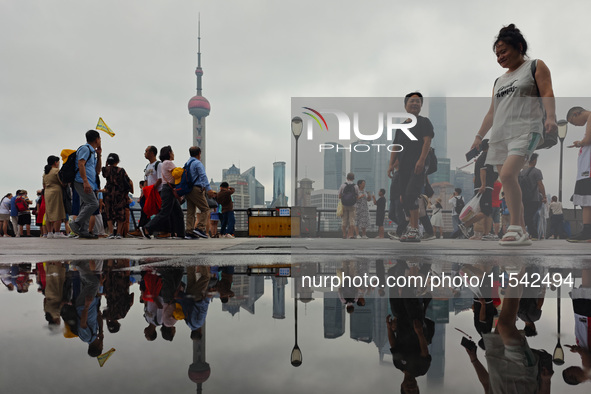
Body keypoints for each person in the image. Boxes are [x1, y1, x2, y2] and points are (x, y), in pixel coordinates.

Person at [470, 24, 557, 246]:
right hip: (500, 135)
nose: (500, 57)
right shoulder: (499, 81)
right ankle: (523, 232)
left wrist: (550, 117)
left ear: (519, 47)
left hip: (526, 129)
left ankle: (515, 226)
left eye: (504, 51)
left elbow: (547, 92)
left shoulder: (535, 66)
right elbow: (492, 111)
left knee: (508, 175)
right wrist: (479, 136)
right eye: (497, 54)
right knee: (508, 182)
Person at [387, 92, 434, 243]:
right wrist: (391, 164)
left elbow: (427, 142)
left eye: (418, 102)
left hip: (418, 166)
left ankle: (414, 229)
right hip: (403, 168)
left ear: (421, 106)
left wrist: (421, 160)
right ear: (405, 106)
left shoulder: (424, 122)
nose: (415, 104)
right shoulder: (401, 127)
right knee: (405, 198)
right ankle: (413, 229)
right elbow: (396, 146)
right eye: (412, 101)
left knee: (411, 194)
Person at [140, 146, 185, 239]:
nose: (173, 154)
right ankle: (147, 228)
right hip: (168, 189)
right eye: (172, 152)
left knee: (178, 213)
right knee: (164, 212)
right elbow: (178, 174)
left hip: (168, 189)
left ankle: (181, 234)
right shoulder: (168, 163)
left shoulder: (163, 163)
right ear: (169, 153)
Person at [460, 139, 498, 240]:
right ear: (489, 147)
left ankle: (486, 234)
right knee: (486, 211)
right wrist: (484, 185)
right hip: (485, 187)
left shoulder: (481, 158)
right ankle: (465, 224)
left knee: (486, 211)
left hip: (481, 187)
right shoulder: (486, 157)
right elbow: (483, 171)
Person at [69, 130, 102, 239]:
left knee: (86, 205)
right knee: (94, 204)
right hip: (82, 181)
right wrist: (85, 181)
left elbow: (97, 170)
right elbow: (81, 164)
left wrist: (99, 155)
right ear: (96, 139)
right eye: (100, 138)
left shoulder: (92, 152)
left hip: (90, 183)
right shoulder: (85, 149)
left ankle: (83, 231)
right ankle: (76, 223)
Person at [566, 106, 591, 242]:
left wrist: (579, 143)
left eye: (573, 122)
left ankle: (587, 231)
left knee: (587, 200)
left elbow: (588, 140)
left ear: (576, 113)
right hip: (586, 168)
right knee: (587, 200)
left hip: (588, 169)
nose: (576, 125)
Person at [563, 268, 591, 385]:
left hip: (585, 319)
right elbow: (585, 353)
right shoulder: (587, 371)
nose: (572, 366)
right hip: (586, 319)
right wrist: (577, 350)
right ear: (573, 376)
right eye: (570, 369)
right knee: (586, 287)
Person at [184, 146, 216, 239]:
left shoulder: (187, 163)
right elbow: (203, 176)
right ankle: (200, 228)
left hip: (188, 189)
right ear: (199, 153)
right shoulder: (198, 163)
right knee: (205, 209)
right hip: (196, 189)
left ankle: (189, 231)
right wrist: (208, 188)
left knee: (190, 211)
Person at [102, 153, 133, 238]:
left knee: (109, 214)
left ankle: (111, 233)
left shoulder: (106, 170)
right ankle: (119, 233)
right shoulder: (121, 170)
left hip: (109, 194)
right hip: (120, 195)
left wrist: (106, 164)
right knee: (120, 214)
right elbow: (127, 182)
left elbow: (104, 174)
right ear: (118, 161)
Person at [519, 153, 546, 240]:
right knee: (529, 216)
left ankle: (528, 233)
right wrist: (544, 196)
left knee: (526, 215)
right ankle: (532, 234)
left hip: (523, 198)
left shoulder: (522, 172)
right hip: (534, 198)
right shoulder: (537, 171)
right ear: (534, 161)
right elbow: (540, 184)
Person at [136, 146, 162, 232]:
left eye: (146, 151)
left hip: (157, 192)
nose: (144, 153)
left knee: (159, 211)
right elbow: (146, 180)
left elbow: (160, 179)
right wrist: (144, 192)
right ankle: (142, 229)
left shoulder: (158, 164)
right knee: (145, 210)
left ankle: (160, 230)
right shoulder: (148, 166)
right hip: (149, 192)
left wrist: (152, 189)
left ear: (152, 153)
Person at [43, 155, 66, 238]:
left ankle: (49, 233)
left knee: (48, 212)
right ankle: (57, 232)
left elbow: (44, 185)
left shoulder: (45, 172)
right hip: (56, 191)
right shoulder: (56, 171)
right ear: (55, 162)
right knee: (57, 211)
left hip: (47, 192)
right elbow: (62, 182)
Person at [338, 173, 359, 239]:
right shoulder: (355, 186)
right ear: (353, 178)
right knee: (352, 220)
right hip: (353, 205)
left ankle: (344, 235)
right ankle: (351, 235)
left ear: (347, 178)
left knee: (344, 220)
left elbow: (339, 196)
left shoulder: (343, 185)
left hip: (344, 204)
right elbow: (357, 196)